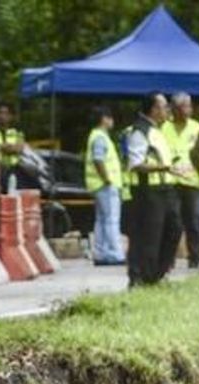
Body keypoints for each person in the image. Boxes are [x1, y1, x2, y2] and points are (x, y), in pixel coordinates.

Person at [125, 91, 182, 286]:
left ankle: (157, 273)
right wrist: (164, 167)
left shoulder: (158, 130)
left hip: (165, 188)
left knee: (173, 230)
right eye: (165, 106)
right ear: (154, 109)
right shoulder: (140, 131)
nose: (167, 110)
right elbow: (135, 164)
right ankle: (141, 277)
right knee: (148, 236)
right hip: (148, 191)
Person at [162, 92, 199, 268]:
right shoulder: (163, 128)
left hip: (192, 180)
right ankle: (168, 259)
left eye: (189, 106)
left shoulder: (197, 128)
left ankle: (194, 257)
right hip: (171, 180)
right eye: (183, 106)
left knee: (194, 221)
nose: (187, 110)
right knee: (173, 221)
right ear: (173, 109)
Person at [84, 106, 124, 267]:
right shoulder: (100, 137)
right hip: (106, 185)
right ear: (104, 119)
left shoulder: (95, 136)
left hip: (97, 185)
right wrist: (107, 179)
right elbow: (98, 159)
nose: (112, 121)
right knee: (111, 220)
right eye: (110, 117)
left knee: (101, 220)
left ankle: (100, 253)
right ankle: (115, 253)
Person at [0, 101, 26, 193]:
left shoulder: (17, 132)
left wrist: (2, 147)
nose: (2, 116)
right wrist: (8, 147)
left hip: (14, 170)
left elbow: (19, 149)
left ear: (11, 116)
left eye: (6, 113)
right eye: (0, 113)